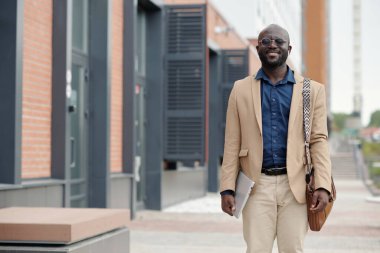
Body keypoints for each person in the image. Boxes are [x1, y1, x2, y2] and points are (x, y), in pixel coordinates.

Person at [220, 24, 332, 253]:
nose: (272, 45)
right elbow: (232, 142)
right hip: (255, 186)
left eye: (278, 41)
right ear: (257, 47)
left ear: (288, 49)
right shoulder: (240, 89)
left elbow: (318, 140)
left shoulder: (312, 90)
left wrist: (323, 184)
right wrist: (227, 189)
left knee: (293, 249)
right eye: (266, 41)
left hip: (296, 187)